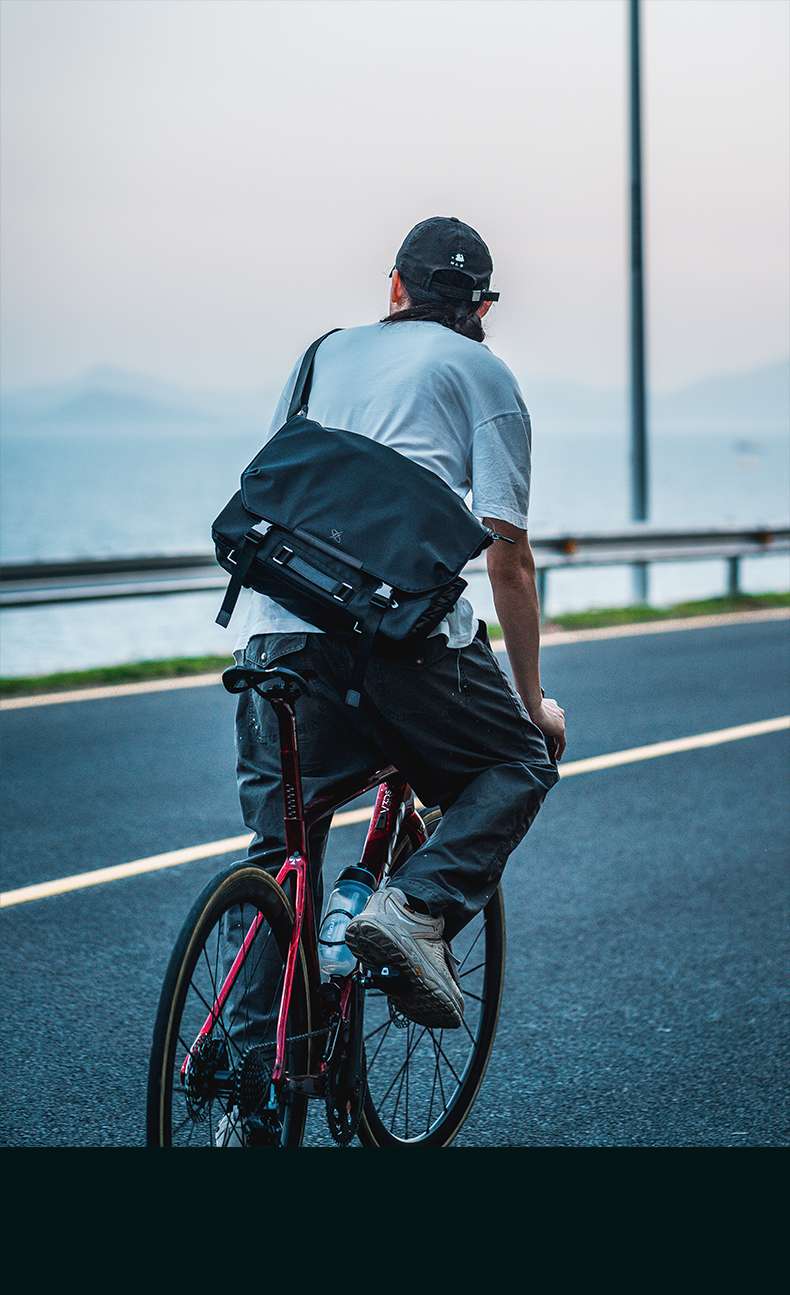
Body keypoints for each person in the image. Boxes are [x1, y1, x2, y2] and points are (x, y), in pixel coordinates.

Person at [226, 215, 565, 1035]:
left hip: (278, 632)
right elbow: (508, 557)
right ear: (480, 307)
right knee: (518, 764)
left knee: (281, 860)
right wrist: (535, 702)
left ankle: (243, 1085)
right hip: (399, 644)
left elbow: (282, 479)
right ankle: (413, 907)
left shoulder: (321, 354)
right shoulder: (485, 375)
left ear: (394, 287)